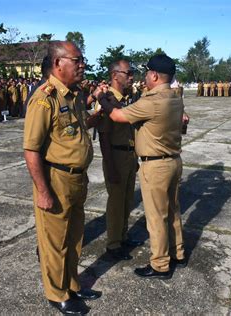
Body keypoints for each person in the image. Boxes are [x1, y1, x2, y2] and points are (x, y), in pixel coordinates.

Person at [23, 41, 101, 315]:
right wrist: (43, 191)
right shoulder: (45, 99)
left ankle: (72, 285)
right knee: (55, 242)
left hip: (77, 179)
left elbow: (76, 130)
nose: (83, 64)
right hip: (55, 179)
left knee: (74, 236)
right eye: (77, 60)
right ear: (58, 64)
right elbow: (31, 149)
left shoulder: (74, 95)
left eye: (82, 59)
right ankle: (57, 294)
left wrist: (99, 116)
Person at [95, 54, 186, 280]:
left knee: (156, 217)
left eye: (145, 72)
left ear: (154, 75)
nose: (140, 77)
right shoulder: (175, 96)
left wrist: (100, 98)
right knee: (172, 211)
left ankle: (160, 264)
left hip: (156, 165)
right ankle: (178, 252)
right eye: (130, 73)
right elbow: (106, 135)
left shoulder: (151, 100)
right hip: (172, 160)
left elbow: (116, 115)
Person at [98, 59, 143, 261]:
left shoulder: (125, 99)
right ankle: (113, 245)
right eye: (128, 73)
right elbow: (104, 136)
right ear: (115, 75)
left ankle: (123, 237)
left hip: (128, 154)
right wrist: (110, 166)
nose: (131, 77)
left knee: (127, 200)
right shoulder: (108, 101)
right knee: (116, 202)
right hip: (115, 156)